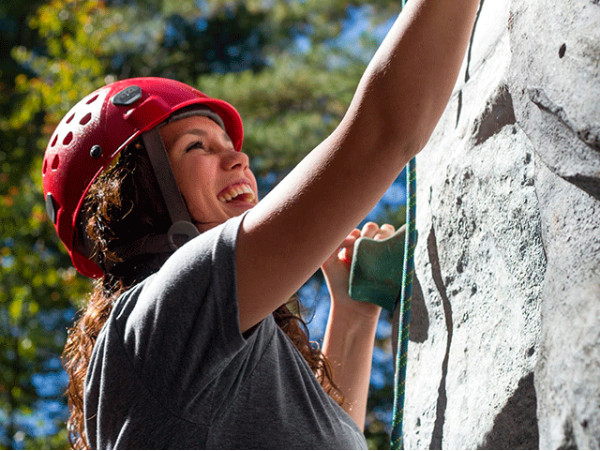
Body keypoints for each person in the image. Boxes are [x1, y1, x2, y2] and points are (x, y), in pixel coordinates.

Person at [42, 0, 480, 448]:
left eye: (229, 144)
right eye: (197, 147)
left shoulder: (183, 352)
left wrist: (351, 315)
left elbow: (311, 433)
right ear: (136, 192)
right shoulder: (160, 316)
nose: (239, 158)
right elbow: (381, 133)